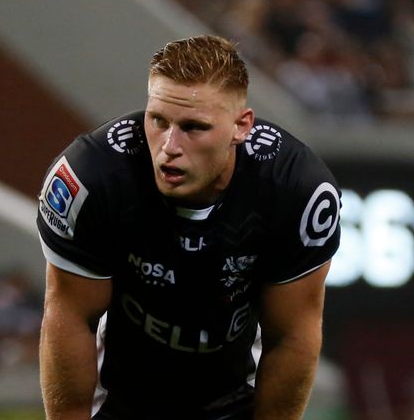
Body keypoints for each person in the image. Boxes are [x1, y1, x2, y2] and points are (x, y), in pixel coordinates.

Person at [37, 35, 341, 420]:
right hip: (120, 400)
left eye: (193, 128)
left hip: (234, 399)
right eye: (158, 121)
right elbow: (70, 317)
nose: (169, 146)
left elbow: (291, 336)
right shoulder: (91, 179)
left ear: (241, 126)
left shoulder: (296, 189)